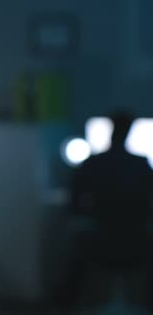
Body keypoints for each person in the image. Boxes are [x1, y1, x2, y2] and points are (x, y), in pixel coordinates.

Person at [53, 111, 153, 308]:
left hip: (99, 240)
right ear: (129, 132)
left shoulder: (93, 163)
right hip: (135, 242)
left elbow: (73, 203)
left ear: (111, 130)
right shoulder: (140, 165)